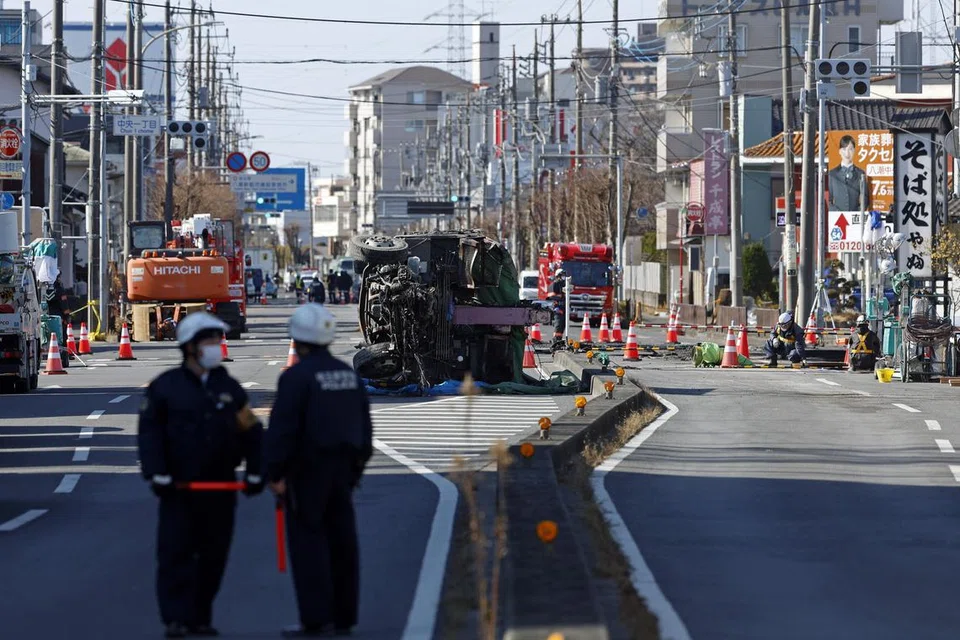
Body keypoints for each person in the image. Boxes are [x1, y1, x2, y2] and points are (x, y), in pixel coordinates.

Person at [137, 312, 265, 638]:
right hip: (179, 488)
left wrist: (256, 472)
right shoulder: (166, 388)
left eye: (217, 340)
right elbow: (150, 434)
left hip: (221, 487)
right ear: (191, 347)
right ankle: (175, 618)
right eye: (209, 340)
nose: (216, 346)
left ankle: (199, 617)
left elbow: (251, 432)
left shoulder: (228, 388)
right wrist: (156, 473)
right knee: (175, 554)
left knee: (214, 555)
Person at [265, 304, 373, 638]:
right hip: (344, 471)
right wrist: (356, 469)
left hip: (306, 472)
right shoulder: (348, 375)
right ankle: (344, 617)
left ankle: (315, 619)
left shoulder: (295, 378)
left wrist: (274, 472)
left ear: (297, 339)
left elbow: (282, 430)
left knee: (309, 544)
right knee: (343, 543)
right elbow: (364, 427)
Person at [828, 135, 868, 212]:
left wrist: (857, 212)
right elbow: (828, 199)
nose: (847, 153)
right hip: (837, 217)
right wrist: (837, 213)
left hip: (855, 216)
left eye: (850, 149)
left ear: (854, 151)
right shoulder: (832, 174)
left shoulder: (860, 173)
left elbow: (865, 198)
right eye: (844, 149)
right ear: (839, 151)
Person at [547, 268, 567, 342]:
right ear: (557, 276)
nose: (563, 277)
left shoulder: (564, 284)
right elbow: (551, 297)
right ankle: (555, 340)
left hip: (563, 308)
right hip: (557, 308)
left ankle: (559, 340)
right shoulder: (554, 284)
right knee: (558, 324)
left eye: (564, 275)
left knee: (562, 325)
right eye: (562, 275)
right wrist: (556, 307)